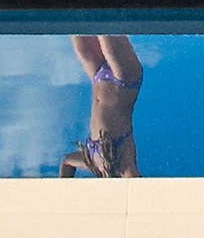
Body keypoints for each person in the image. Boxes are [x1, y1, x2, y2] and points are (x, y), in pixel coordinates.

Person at [58, 35, 144, 176]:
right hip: (124, 81)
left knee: (78, 35)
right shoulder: (123, 169)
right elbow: (139, 189)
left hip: (98, 77)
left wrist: (62, 192)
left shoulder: (93, 164)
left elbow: (67, 162)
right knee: (105, 29)